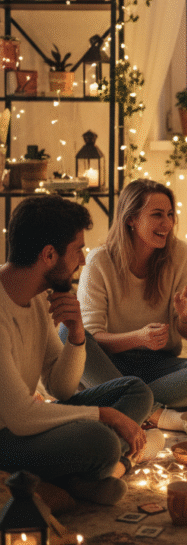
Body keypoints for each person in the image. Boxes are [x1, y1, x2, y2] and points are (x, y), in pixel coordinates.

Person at [0, 196, 154, 505]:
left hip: (28, 423)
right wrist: (103, 415)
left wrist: (77, 335)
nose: (82, 260)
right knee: (103, 441)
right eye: (77, 249)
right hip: (7, 436)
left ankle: (75, 478)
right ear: (48, 254)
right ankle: (98, 470)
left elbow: (62, 387)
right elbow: (18, 416)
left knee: (136, 392)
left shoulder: (40, 298)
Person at [75, 180, 187, 433]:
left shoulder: (180, 254)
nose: (167, 223)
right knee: (69, 335)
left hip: (158, 367)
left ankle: (120, 405)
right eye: (157, 215)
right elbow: (92, 337)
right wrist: (139, 338)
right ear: (131, 218)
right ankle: (157, 414)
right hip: (111, 364)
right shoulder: (99, 261)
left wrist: (186, 317)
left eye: (169, 215)